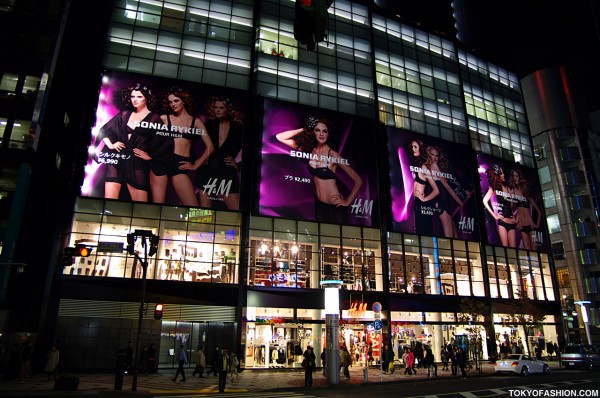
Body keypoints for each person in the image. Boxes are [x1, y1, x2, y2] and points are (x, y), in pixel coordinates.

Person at [276, 116, 363, 224]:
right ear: (313, 132)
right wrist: (305, 129)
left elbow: (358, 180)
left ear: (328, 134)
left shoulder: (333, 155)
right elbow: (280, 137)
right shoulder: (310, 150)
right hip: (319, 205)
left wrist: (346, 201)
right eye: (317, 130)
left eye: (324, 131)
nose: (321, 134)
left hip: (335, 208)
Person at [97, 83, 165, 202]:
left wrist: (150, 156)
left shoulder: (154, 119)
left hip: (137, 162)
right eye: (133, 97)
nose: (135, 100)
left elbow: (165, 142)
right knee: (108, 205)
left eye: (139, 97)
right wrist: (111, 145)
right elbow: (104, 130)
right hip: (118, 158)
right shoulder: (124, 114)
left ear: (146, 98)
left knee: (140, 208)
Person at [153, 86, 213, 206]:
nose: (173, 104)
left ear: (184, 100)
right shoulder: (164, 118)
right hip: (161, 161)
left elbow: (210, 147)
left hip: (180, 164)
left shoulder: (196, 122)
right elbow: (147, 137)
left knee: (193, 208)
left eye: (176, 101)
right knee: (157, 207)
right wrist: (147, 155)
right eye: (170, 102)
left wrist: (196, 165)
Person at [195, 96, 244, 210]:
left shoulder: (239, 128)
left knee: (236, 212)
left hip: (226, 171)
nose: (217, 110)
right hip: (207, 170)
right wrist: (198, 160)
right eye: (215, 107)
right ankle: (202, 228)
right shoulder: (208, 125)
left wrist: (238, 165)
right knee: (204, 215)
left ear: (228, 110)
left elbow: (251, 153)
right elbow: (189, 141)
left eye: (221, 108)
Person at [426, 146, 471, 238]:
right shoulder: (434, 166)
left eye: (437, 156)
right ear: (428, 155)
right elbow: (447, 187)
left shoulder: (432, 167)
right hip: (442, 203)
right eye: (432, 155)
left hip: (444, 202)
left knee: (454, 237)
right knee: (450, 238)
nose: (435, 158)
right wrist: (460, 202)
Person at [408, 139, 439, 235]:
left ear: (421, 148)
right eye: (412, 147)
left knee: (423, 231)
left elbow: (436, 190)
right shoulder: (417, 165)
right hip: (416, 202)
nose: (413, 149)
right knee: (417, 230)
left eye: (415, 147)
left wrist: (424, 199)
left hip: (422, 204)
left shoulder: (424, 167)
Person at [483, 164, 517, 247]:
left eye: (503, 173)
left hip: (511, 222)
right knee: (505, 249)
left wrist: (514, 217)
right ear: (497, 175)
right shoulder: (494, 187)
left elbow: (511, 206)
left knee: (514, 250)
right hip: (502, 222)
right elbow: (484, 200)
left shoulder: (508, 188)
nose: (503, 175)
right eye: (501, 173)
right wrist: (495, 216)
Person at [510, 168, 542, 250]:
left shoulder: (526, 192)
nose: (515, 178)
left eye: (516, 176)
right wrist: (516, 222)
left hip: (531, 224)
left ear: (520, 177)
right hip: (522, 226)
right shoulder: (512, 192)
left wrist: (536, 225)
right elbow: (510, 206)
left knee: (535, 251)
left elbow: (539, 211)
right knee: (528, 252)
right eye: (513, 176)